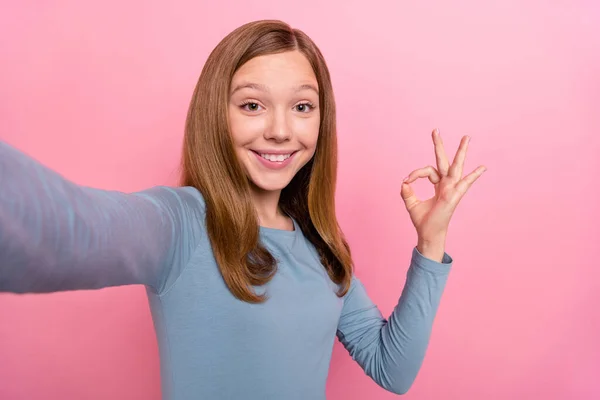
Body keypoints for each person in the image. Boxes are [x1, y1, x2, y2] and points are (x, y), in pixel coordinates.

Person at [0, 19, 486, 400]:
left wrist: (430, 243)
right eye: (252, 105)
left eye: (302, 107)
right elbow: (61, 229)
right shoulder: (181, 224)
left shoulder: (320, 248)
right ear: (217, 113)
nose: (280, 130)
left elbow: (392, 368)